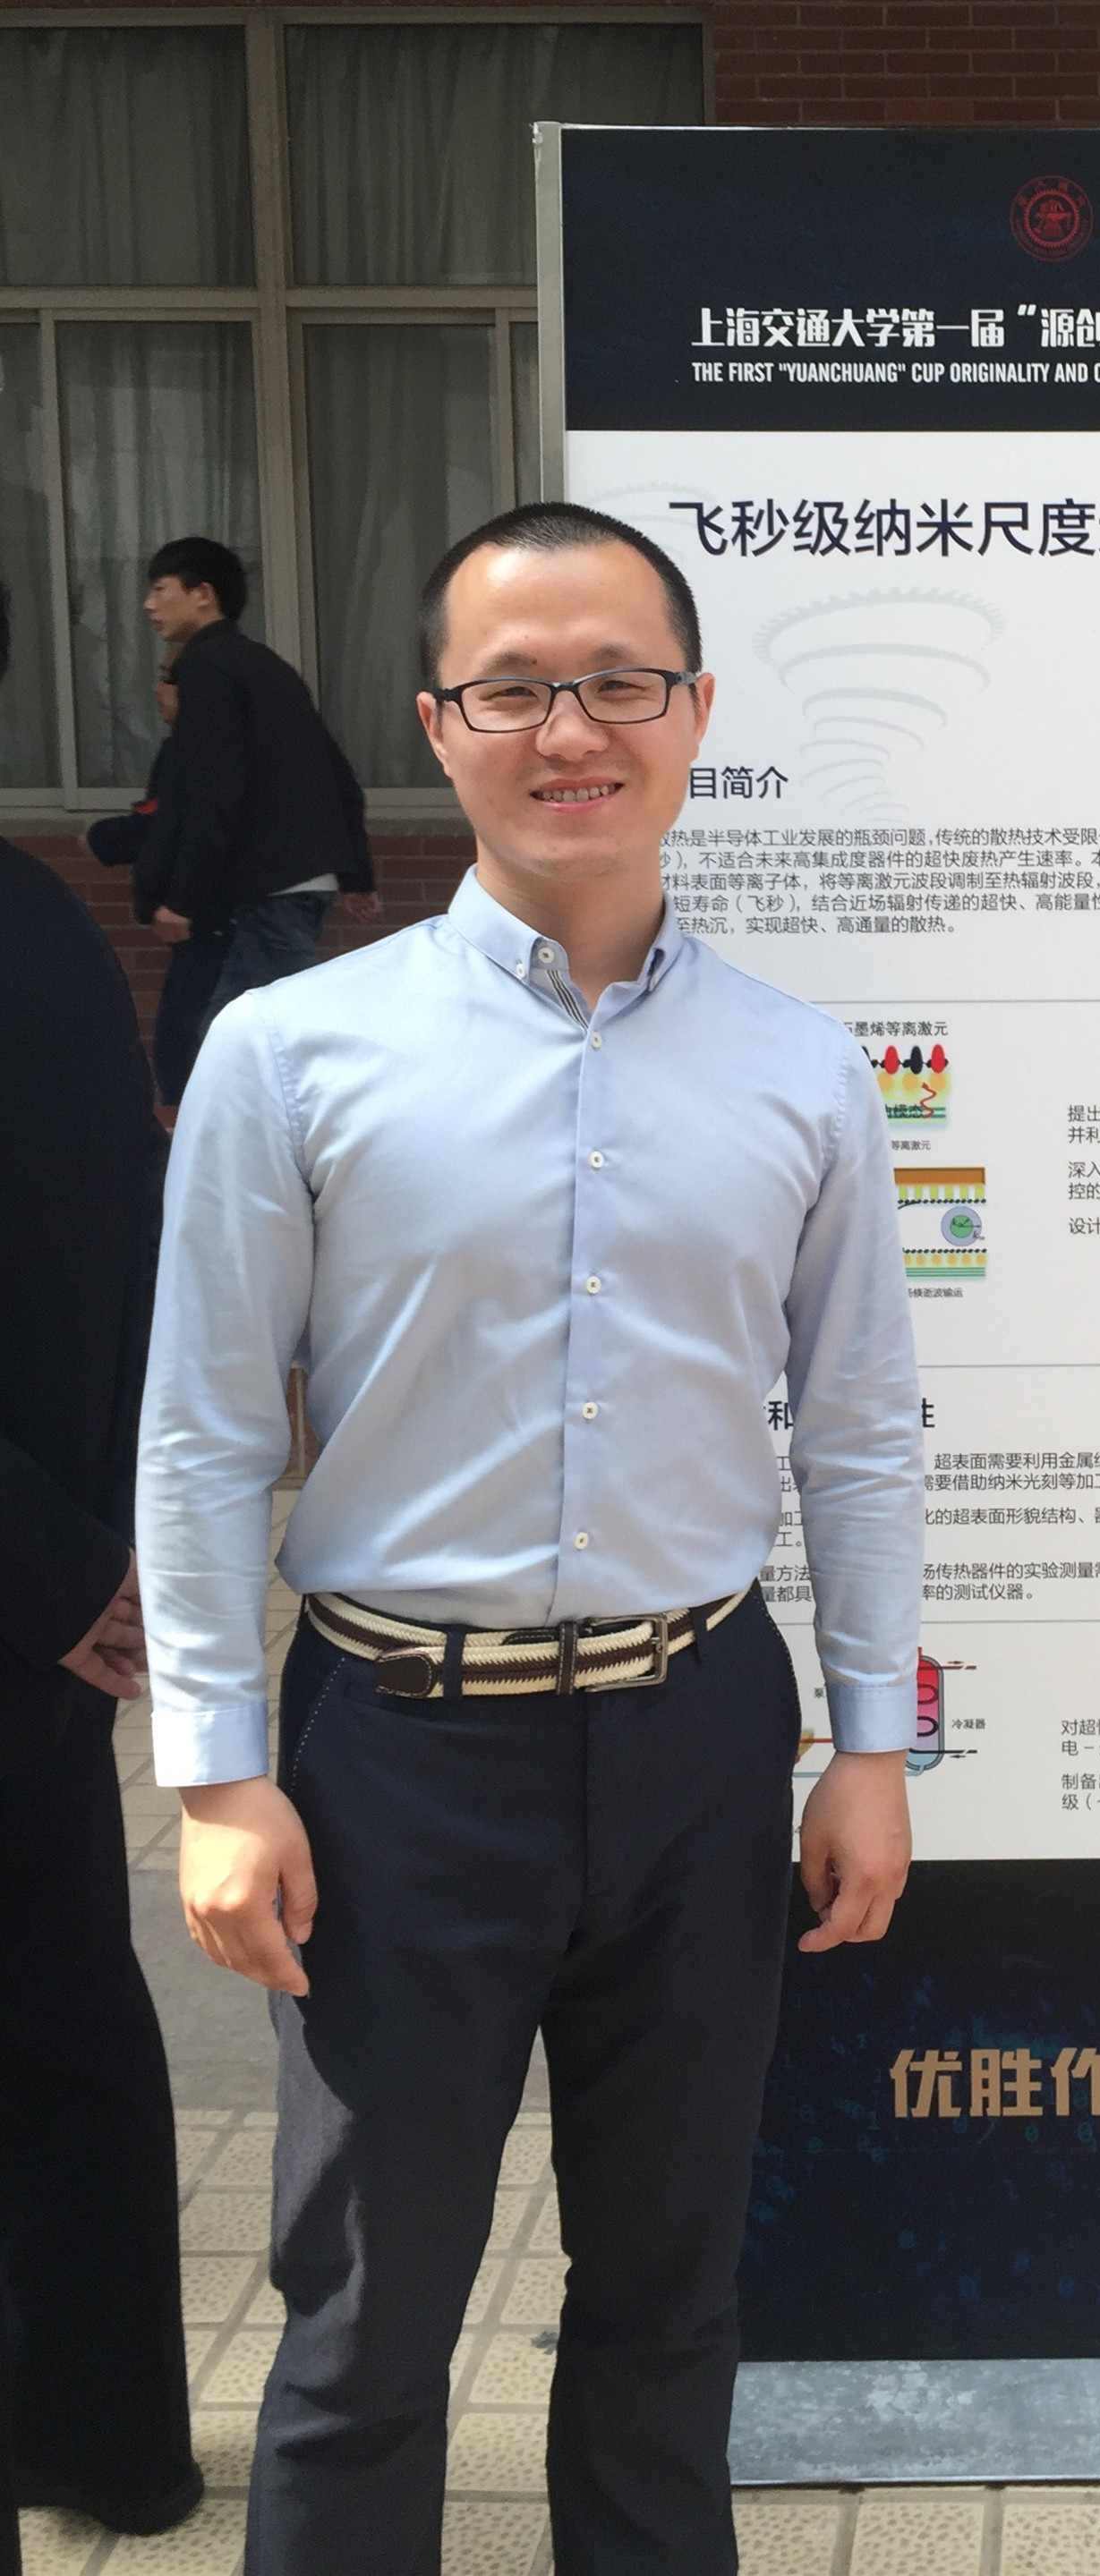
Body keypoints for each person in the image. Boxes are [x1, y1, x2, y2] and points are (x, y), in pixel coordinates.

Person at [138, 502, 924, 2576]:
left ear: (694, 710)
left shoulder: (802, 1068)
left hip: (697, 1733)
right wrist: (216, 1771)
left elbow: (856, 1424)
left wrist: (869, 1741)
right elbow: (205, 1427)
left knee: (668, 2298)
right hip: (396, 1754)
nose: (569, 730)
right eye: (512, 690)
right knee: (365, 2320)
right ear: (437, 725)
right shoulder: (291, 1051)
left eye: (616, 682)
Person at [0, 580, 200, 2563]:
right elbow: (131, 1254)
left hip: (36, 1587)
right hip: (52, 1606)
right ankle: (111, 2433)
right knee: (61, 2010)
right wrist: (98, 1559)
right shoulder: (43, 916)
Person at [141, 536, 379, 1015]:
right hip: (304, 879)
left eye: (160, 589)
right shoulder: (266, 666)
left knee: (288, 1030)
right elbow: (336, 774)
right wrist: (356, 873)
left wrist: (182, 898)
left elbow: (213, 791)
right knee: (236, 1034)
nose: (149, 605)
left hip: (272, 885)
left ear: (203, 594)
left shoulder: (205, 667)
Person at [82, 649, 233, 1107]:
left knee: (185, 1041)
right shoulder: (206, 746)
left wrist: (100, 838)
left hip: (214, 918)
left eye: (169, 680)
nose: (157, 690)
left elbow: (171, 825)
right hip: (214, 917)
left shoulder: (197, 749)